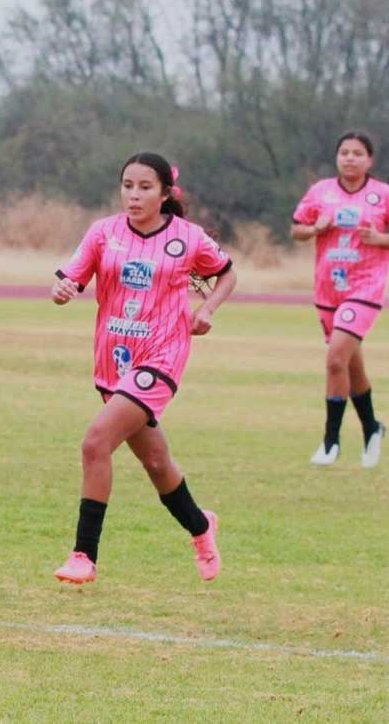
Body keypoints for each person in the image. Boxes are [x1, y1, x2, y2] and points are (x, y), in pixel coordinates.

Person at [50, 152, 236, 585]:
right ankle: (201, 526)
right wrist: (61, 290)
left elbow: (227, 274)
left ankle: (83, 555)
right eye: (128, 186)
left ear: (165, 193)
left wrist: (206, 309)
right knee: (156, 462)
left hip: (162, 356)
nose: (134, 195)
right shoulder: (103, 233)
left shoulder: (188, 238)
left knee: (95, 442)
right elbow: (70, 279)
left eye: (145, 187)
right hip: (114, 360)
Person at [291, 131, 389, 468]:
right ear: (337, 157)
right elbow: (296, 228)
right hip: (329, 289)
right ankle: (373, 427)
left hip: (365, 288)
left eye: (358, 153)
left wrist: (380, 238)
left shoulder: (384, 195)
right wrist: (315, 229)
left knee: (334, 360)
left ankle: (331, 441)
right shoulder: (321, 192)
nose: (350, 158)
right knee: (349, 363)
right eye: (344, 152)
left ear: (369, 160)